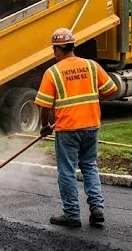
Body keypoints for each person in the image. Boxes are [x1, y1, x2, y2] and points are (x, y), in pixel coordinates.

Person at [34, 28, 118, 228]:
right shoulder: (91, 66)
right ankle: (97, 210)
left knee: (67, 171)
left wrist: (45, 126)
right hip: (91, 126)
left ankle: (72, 214)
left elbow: (44, 105)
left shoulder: (52, 72)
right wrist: (90, 100)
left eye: (54, 49)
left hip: (68, 129)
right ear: (72, 46)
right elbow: (110, 90)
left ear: (57, 49)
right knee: (89, 166)